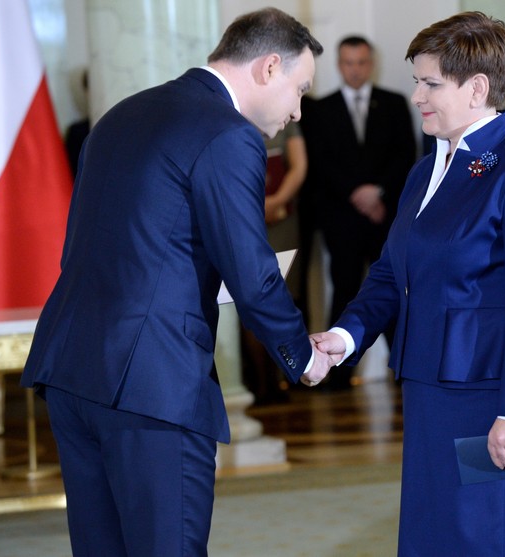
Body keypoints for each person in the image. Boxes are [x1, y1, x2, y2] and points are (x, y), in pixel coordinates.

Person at [21, 8, 335, 556]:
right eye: (299, 89)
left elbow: (115, 244)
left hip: (73, 370)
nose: (296, 109)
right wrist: (303, 358)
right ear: (268, 68)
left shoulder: (122, 114)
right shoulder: (229, 134)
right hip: (151, 384)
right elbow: (253, 273)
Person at [313, 12, 505, 555]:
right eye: (416, 81)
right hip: (430, 388)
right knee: (435, 533)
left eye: (431, 83)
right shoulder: (425, 168)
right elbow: (391, 270)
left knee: (489, 533)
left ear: (477, 88)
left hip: (489, 397)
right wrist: (346, 336)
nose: (416, 96)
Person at [306, 35, 416, 390]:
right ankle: (336, 374)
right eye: (349, 63)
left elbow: (405, 156)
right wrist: (357, 194)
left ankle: (403, 368)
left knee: (394, 292)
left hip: (385, 218)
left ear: (372, 64)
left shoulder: (395, 103)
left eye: (362, 62)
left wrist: (377, 192)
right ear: (339, 65)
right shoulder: (320, 109)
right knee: (346, 289)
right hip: (342, 220)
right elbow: (320, 165)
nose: (355, 69)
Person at [241, 119, 309, 404]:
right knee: (250, 298)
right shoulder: (233, 118)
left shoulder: (286, 122)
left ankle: (287, 376)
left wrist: (277, 200)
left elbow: (299, 166)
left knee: (282, 297)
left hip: (281, 220)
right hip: (245, 220)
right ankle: (262, 382)